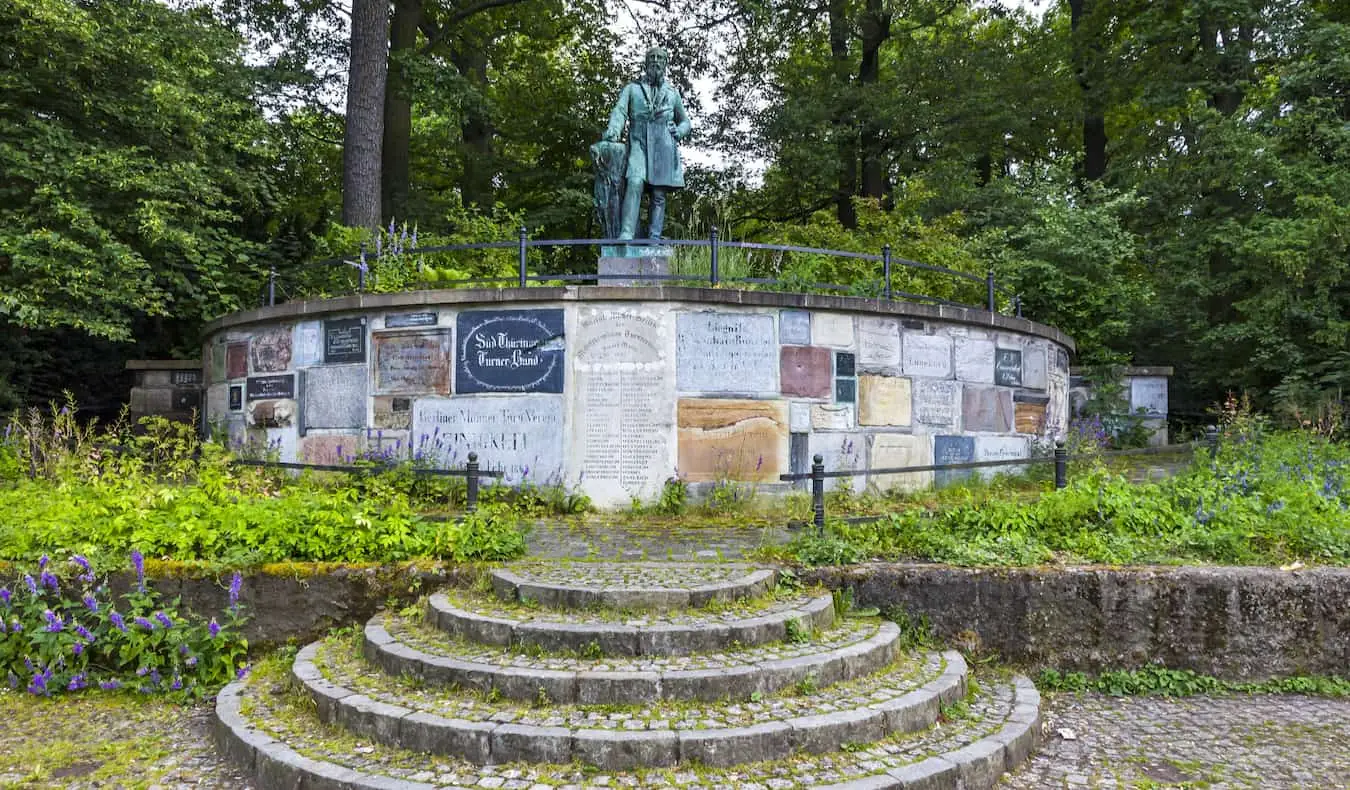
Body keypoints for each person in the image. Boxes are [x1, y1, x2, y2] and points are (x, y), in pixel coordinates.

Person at [602, 47, 692, 241]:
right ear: (645, 62)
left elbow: (685, 121)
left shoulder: (673, 93)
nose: (656, 61)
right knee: (635, 182)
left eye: (660, 58)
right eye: (652, 57)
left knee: (659, 194)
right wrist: (614, 131)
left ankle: (654, 237)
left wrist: (679, 131)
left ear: (665, 63)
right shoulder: (632, 89)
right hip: (638, 143)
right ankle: (626, 233)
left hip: (663, 146)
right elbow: (619, 112)